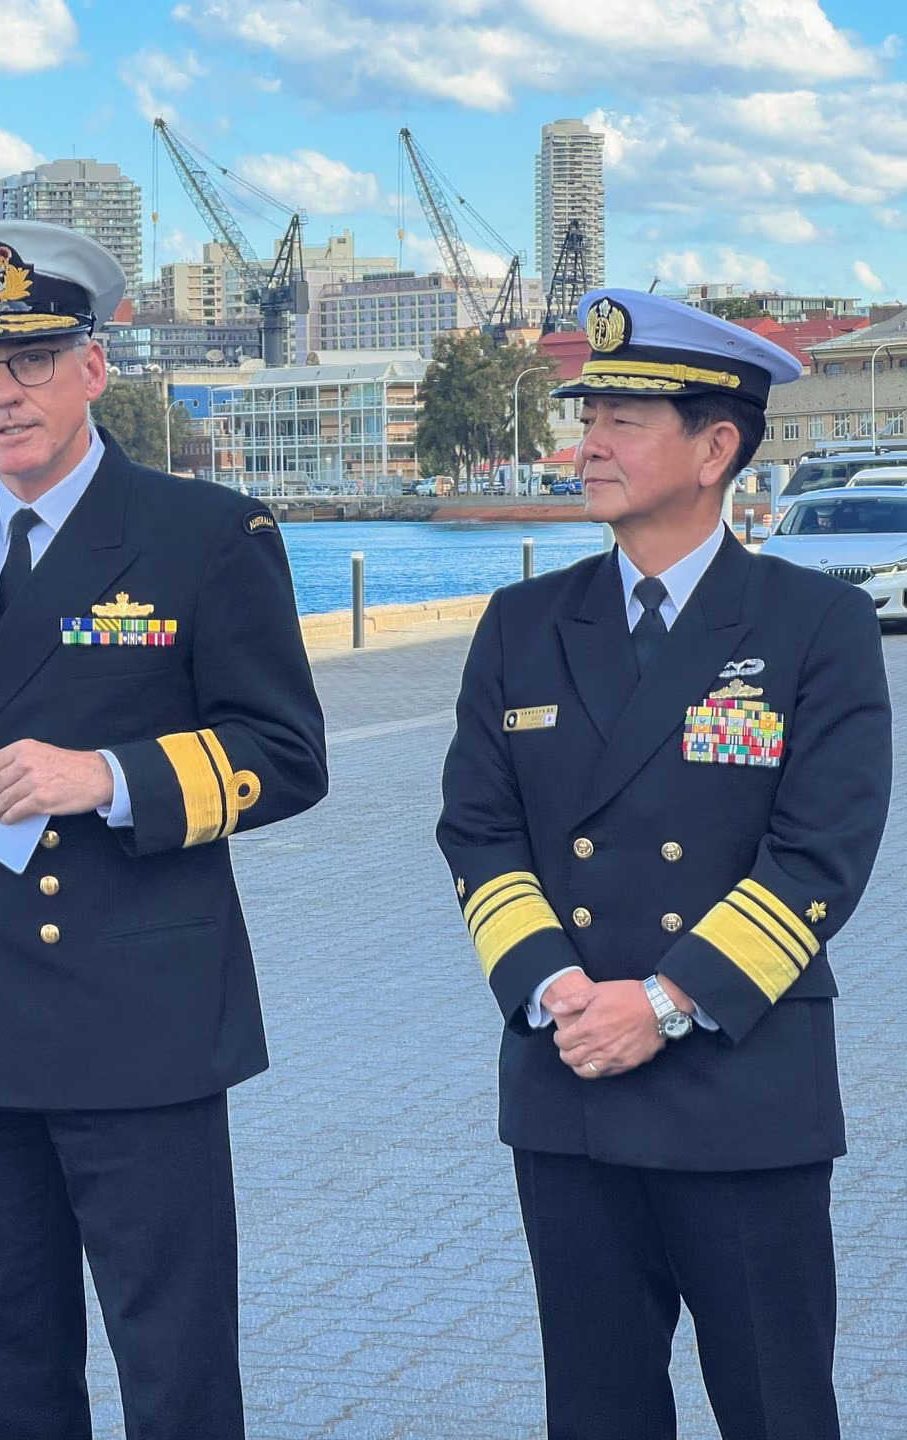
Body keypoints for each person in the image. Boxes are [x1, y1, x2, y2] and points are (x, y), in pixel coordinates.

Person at [0, 220, 328, 1440]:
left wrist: (106, 778)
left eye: (30, 359)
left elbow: (287, 757)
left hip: (143, 1020)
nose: (3, 392)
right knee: (1, 1361)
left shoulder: (205, 535)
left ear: (93, 367)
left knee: (171, 1367)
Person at [437, 288, 893, 1439]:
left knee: (776, 1408)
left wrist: (666, 1002)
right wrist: (556, 991)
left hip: (740, 1087)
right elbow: (479, 833)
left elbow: (820, 856)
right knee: (594, 1413)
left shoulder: (811, 628)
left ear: (717, 447)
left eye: (624, 419)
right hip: (570, 1078)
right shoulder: (522, 624)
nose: (587, 441)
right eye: (589, 412)